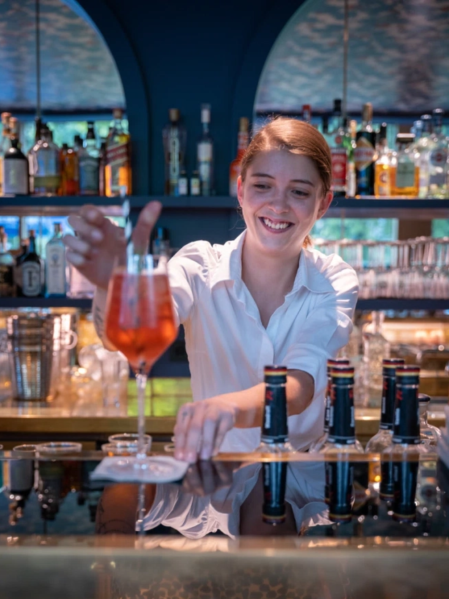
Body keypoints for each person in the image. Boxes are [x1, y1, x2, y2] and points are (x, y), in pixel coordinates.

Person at [65, 118, 359, 461]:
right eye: (262, 186)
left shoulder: (333, 280)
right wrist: (112, 284)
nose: (278, 206)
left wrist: (225, 408)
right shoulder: (196, 266)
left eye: (299, 192)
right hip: (215, 483)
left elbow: (299, 387)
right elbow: (126, 340)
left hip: (301, 486)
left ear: (323, 203)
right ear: (240, 190)